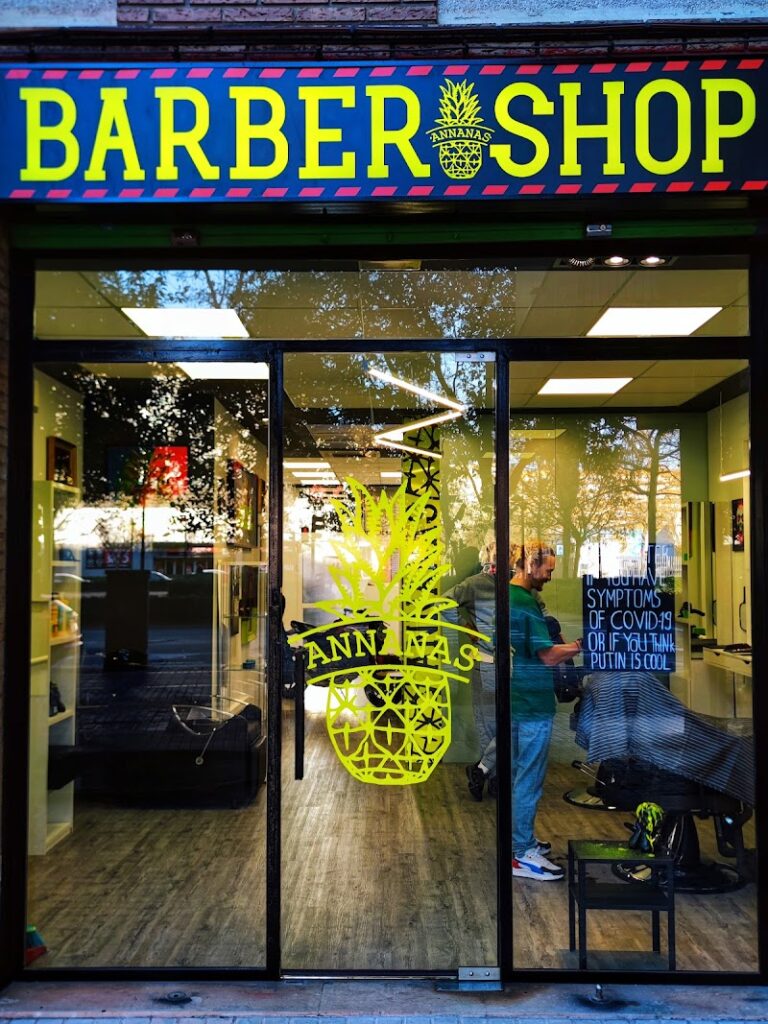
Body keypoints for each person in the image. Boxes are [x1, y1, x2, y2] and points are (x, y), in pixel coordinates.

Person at [509, 541, 582, 882]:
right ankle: (522, 853)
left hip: (517, 696)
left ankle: (518, 841)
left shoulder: (508, 596)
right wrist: (581, 646)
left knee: (519, 775)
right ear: (529, 565)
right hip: (532, 700)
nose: (550, 577)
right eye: (547, 570)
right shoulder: (524, 602)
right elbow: (548, 656)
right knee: (530, 778)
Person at [442, 543, 498, 801]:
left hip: (500, 664)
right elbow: (444, 603)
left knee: (503, 726)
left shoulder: (516, 584)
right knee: (491, 726)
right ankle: (491, 777)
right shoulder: (476, 584)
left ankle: (482, 770)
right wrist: (466, 628)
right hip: (487, 663)